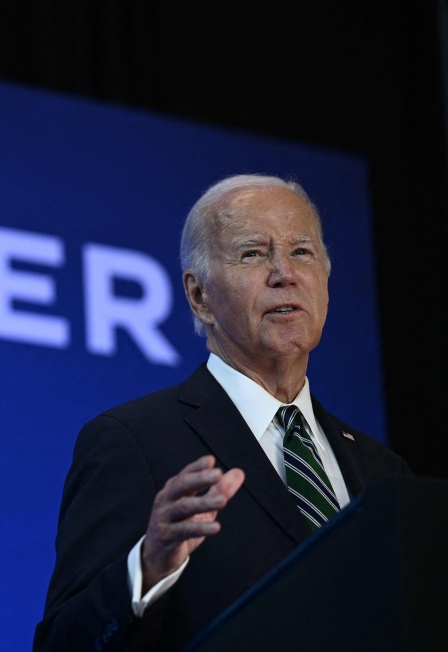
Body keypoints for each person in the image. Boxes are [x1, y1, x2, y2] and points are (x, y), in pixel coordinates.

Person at [33, 175, 410, 651]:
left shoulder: (383, 470)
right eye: (253, 253)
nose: (283, 273)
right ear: (199, 296)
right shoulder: (135, 441)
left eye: (302, 252)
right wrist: (147, 567)